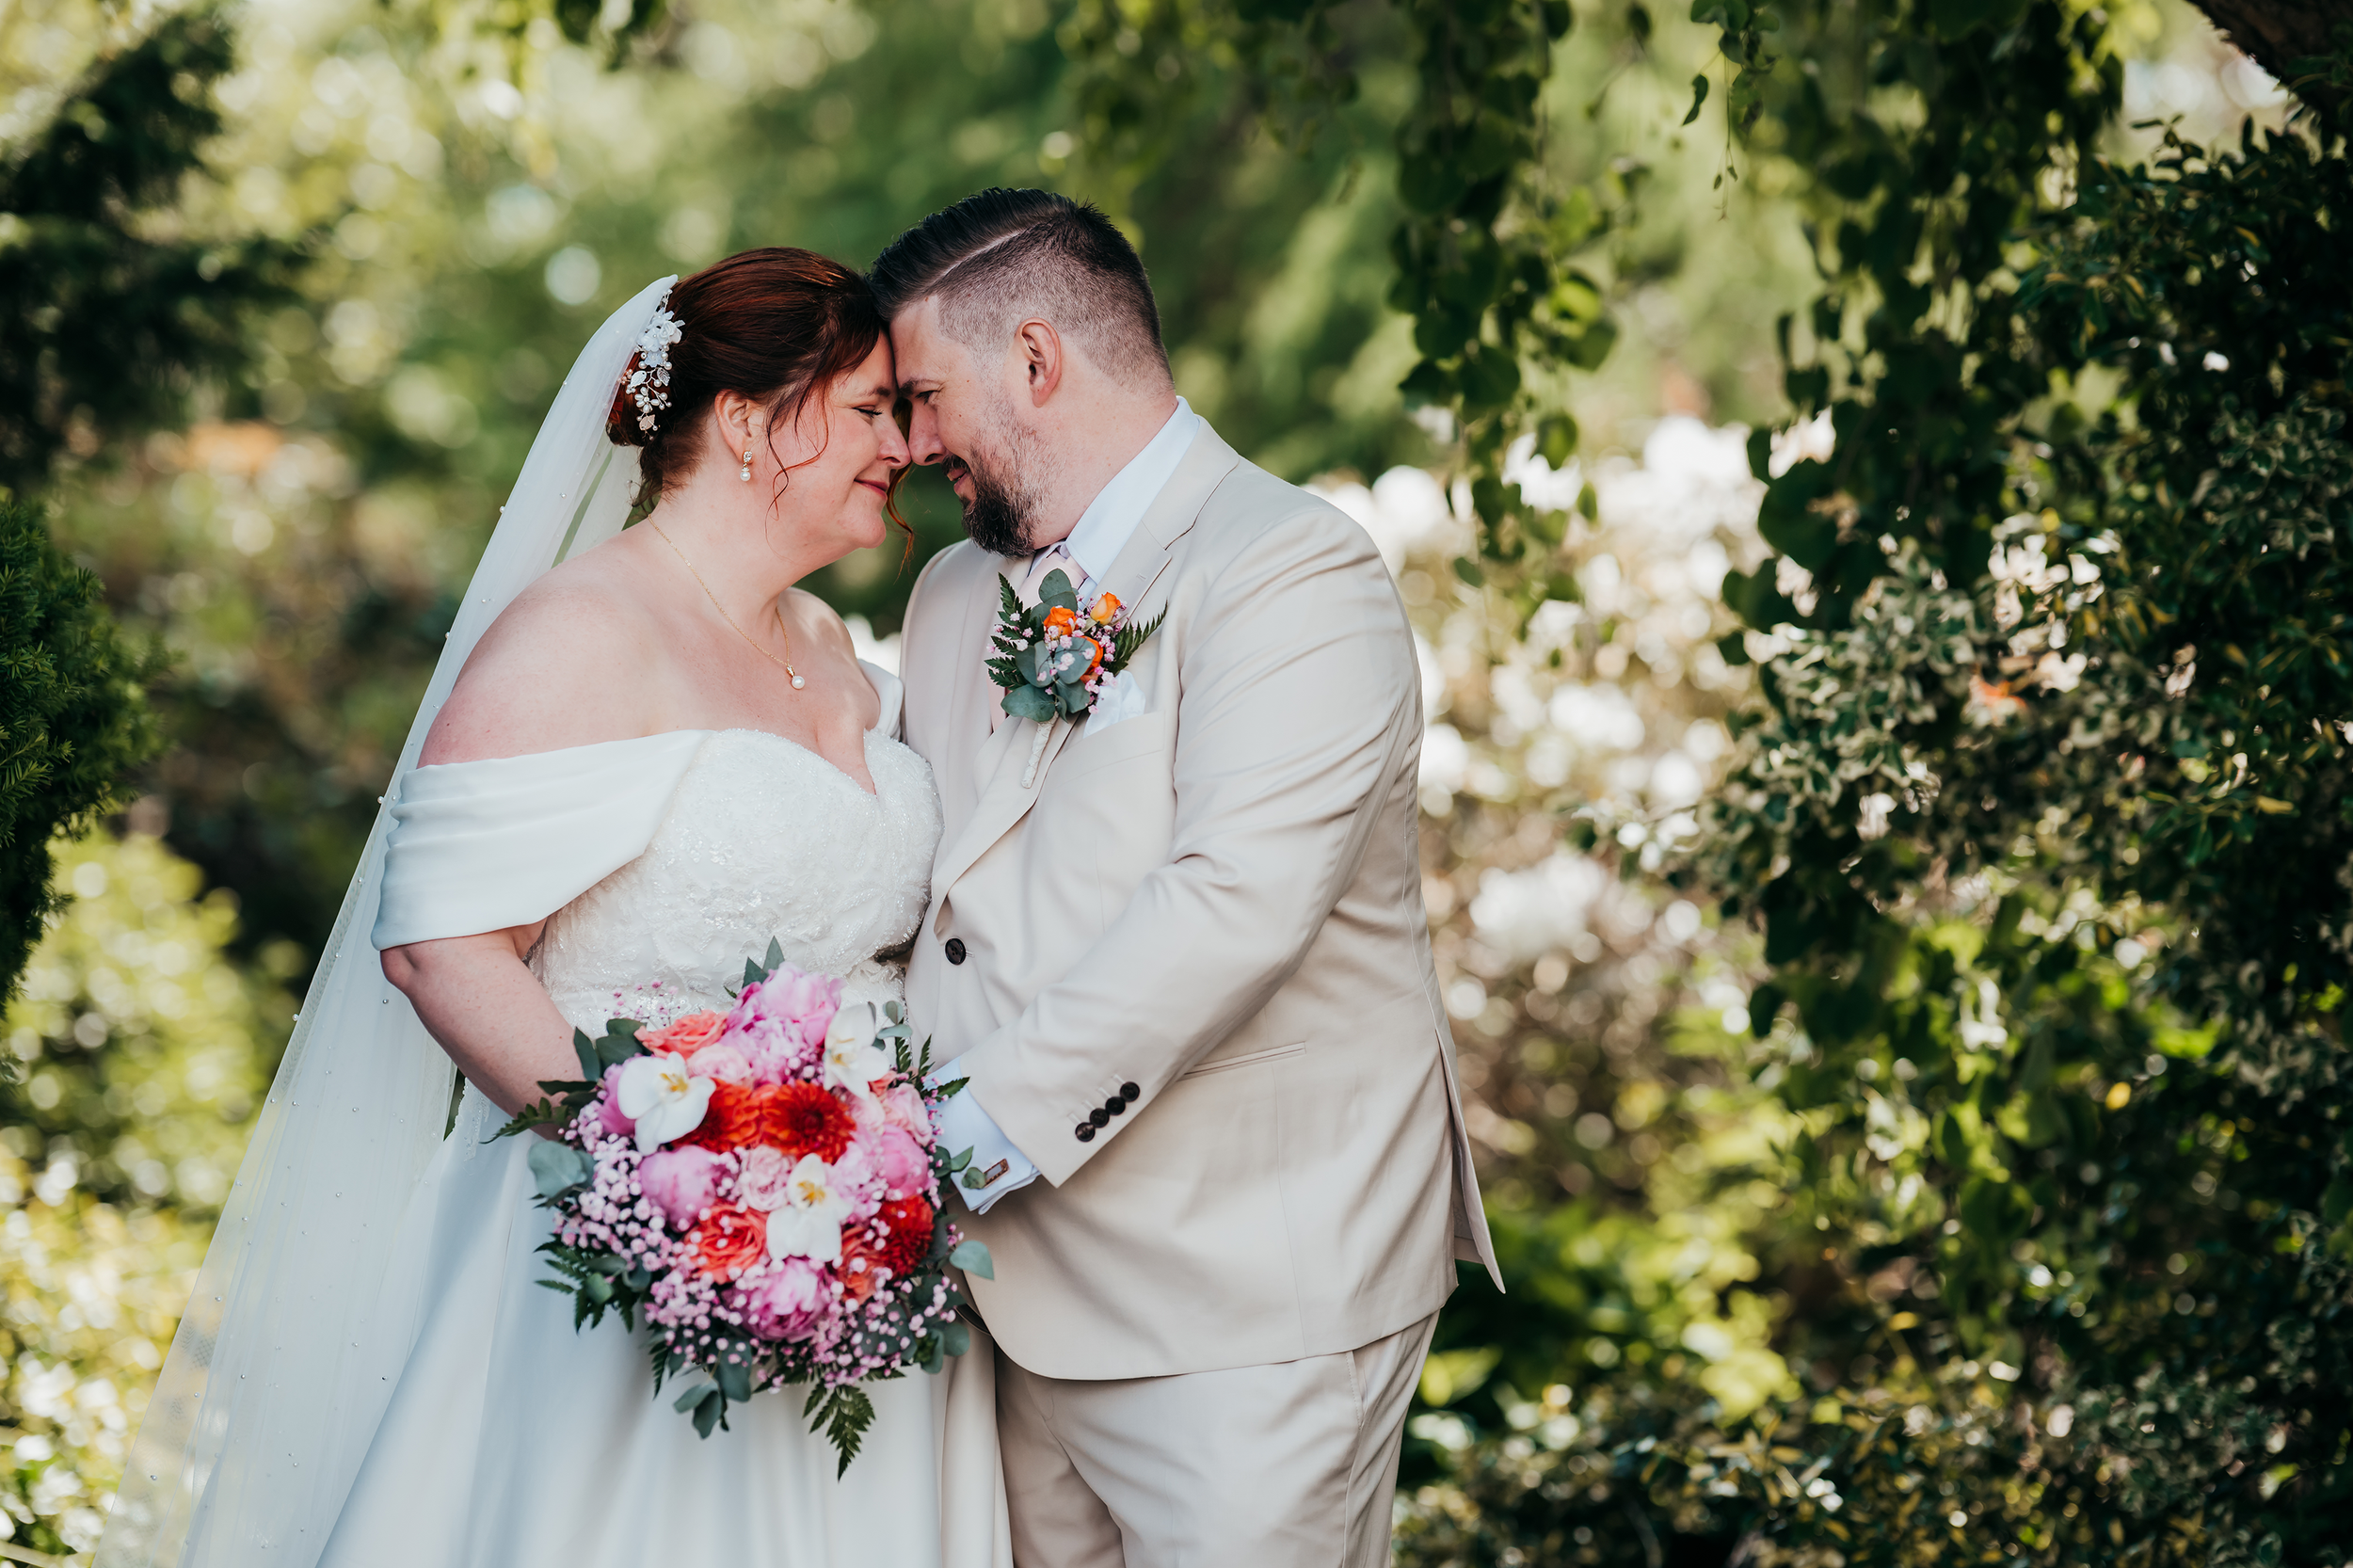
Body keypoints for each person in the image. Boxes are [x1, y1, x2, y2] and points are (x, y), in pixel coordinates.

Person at [96, 250, 1010, 1568]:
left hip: (858, 1261)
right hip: (632, 1258)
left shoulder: (827, 643)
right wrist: (663, 1180)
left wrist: (836, 1189)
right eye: (867, 410)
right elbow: (437, 943)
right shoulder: (580, 631)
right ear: (749, 423)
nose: (904, 445)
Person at [873, 189, 1503, 1568]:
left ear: (1037, 360)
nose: (910, 446)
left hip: (1246, 1299)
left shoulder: (1291, 570)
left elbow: (1231, 908)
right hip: (999, 1303)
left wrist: (937, 1147)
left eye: (923, 395)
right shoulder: (950, 600)